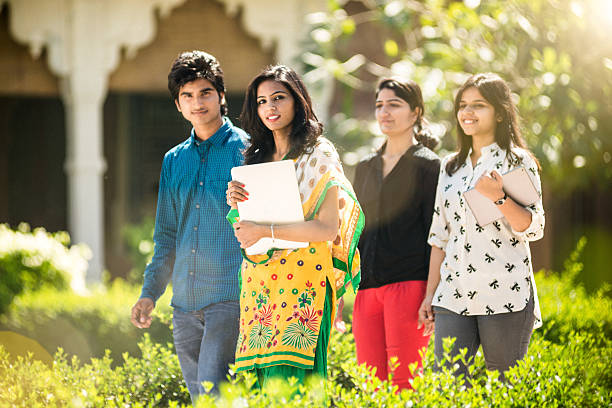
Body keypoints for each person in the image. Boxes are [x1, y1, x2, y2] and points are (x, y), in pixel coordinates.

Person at [225, 65, 364, 391]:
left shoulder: (319, 154)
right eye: (261, 101)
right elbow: (245, 229)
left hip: (305, 282)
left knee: (294, 384)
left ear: (297, 101)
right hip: (259, 285)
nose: (269, 108)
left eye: (278, 98)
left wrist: (265, 230)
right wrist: (235, 204)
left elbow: (328, 229)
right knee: (258, 387)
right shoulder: (255, 159)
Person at [130, 51, 248, 403]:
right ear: (178, 104)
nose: (197, 103)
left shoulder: (248, 150)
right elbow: (166, 234)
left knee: (212, 392)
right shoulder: (173, 160)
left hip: (228, 296)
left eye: (205, 93)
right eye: (187, 95)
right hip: (183, 303)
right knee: (202, 398)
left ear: (222, 96)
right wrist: (150, 293)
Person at [417, 73, 545, 382]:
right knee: (446, 387)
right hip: (453, 294)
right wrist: (430, 295)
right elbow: (439, 237)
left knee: (503, 388)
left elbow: (533, 227)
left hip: (504, 292)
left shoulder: (517, 161)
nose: (467, 113)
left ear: (500, 112)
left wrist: (498, 197)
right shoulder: (450, 166)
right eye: (463, 105)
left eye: (478, 105)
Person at [351, 78, 440, 390]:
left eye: (394, 105)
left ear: (415, 113)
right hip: (366, 289)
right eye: (379, 105)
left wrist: (431, 295)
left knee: (406, 385)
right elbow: (356, 228)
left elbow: (437, 237)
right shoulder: (364, 166)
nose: (384, 112)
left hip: (409, 286)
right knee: (371, 386)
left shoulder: (429, 166)